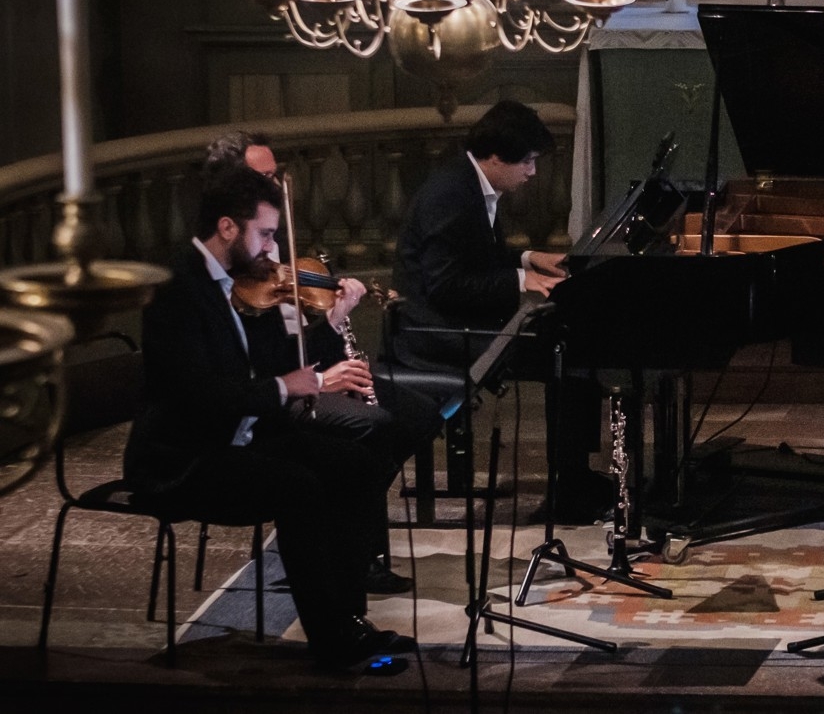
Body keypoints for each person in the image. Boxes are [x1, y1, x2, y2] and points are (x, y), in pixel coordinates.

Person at [123, 167, 415, 668]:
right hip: (184, 458)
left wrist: (326, 331)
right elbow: (198, 394)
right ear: (228, 228)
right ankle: (331, 643)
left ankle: (348, 620)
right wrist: (286, 388)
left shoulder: (223, 283)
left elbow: (272, 355)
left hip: (235, 440)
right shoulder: (176, 289)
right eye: (265, 233)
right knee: (299, 485)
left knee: (359, 464)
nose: (271, 248)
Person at [205, 130, 442, 593]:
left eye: (276, 177)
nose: (273, 187)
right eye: (262, 177)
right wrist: (321, 375)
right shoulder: (223, 265)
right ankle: (350, 551)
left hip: (310, 370)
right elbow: (262, 364)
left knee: (419, 414)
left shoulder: (273, 249)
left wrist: (334, 320)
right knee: (371, 425)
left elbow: (299, 344)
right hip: (275, 395)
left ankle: (345, 531)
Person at [393, 100, 611, 524]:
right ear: (495, 157)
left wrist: (530, 259)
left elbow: (479, 254)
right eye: (527, 161)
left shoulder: (469, 184)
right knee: (567, 353)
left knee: (573, 344)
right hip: (435, 331)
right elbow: (446, 285)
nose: (532, 171)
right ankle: (569, 488)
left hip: (457, 319)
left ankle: (575, 478)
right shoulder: (452, 195)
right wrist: (518, 281)